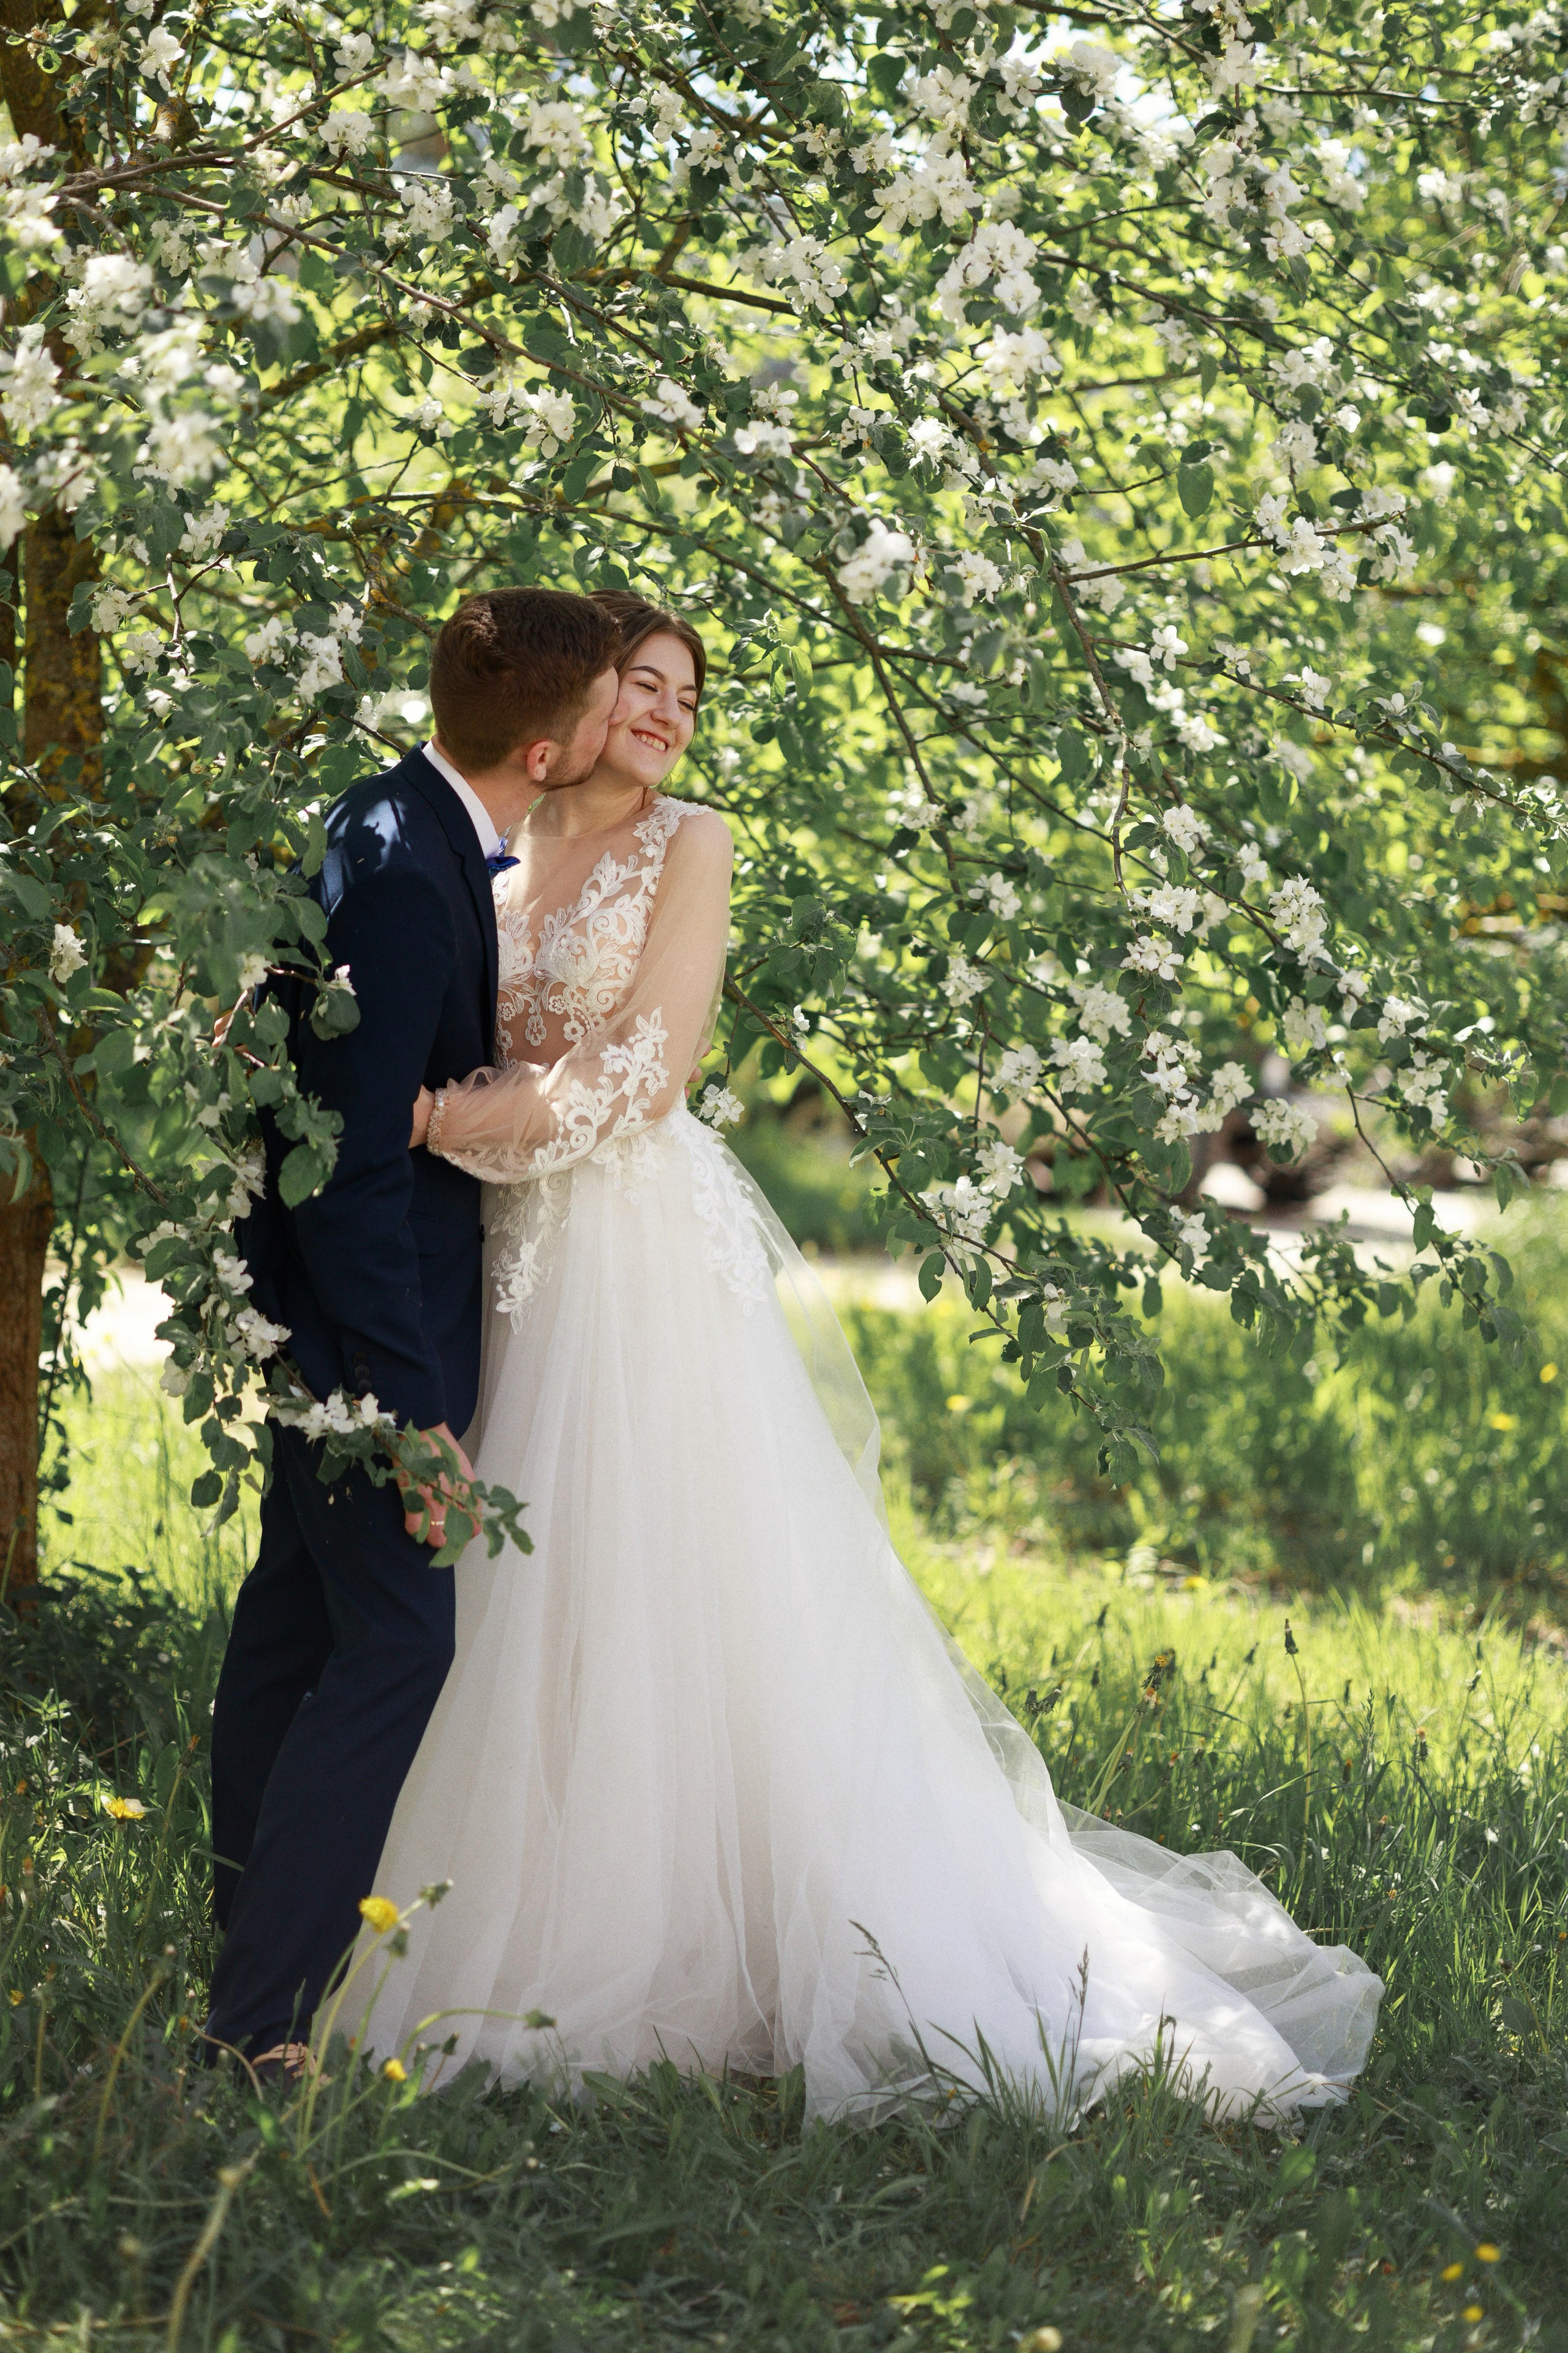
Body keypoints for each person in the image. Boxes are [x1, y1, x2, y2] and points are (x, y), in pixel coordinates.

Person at [356, 592, 1383, 2126]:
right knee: (522, 1570)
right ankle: (514, 1886)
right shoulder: (484, 841)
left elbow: (642, 1072)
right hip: (500, 1251)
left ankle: (704, 1940)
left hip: (628, 1246)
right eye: (643, 683)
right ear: (569, 700)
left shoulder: (687, 843)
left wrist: (430, 1121)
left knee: (665, 1575)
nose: (668, 712)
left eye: (687, 695)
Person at [205, 587, 625, 2073]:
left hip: (327, 1321)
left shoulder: (402, 820)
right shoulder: (402, 870)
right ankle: (257, 2025)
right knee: (399, 1639)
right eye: (599, 709)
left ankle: (240, 1958)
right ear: (544, 742)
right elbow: (352, 1168)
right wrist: (408, 1404)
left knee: (292, 1628)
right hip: (354, 1337)